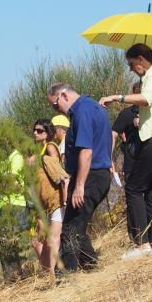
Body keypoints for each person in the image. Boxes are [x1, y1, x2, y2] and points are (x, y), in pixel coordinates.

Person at [100, 43, 152, 258]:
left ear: (140, 59)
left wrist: (117, 97)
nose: (130, 69)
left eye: (130, 64)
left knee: (134, 188)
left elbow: (146, 99)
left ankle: (142, 244)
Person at [47, 83, 112, 271]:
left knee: (70, 230)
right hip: (98, 174)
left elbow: (86, 152)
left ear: (64, 95)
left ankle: (67, 277)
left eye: (55, 104)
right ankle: (91, 267)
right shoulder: (93, 107)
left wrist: (80, 186)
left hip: (90, 176)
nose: (56, 109)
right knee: (77, 226)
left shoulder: (82, 111)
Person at [30, 119, 69, 278]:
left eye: (40, 131)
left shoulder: (50, 148)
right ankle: (47, 273)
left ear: (48, 133)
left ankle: (52, 274)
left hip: (56, 201)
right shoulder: (38, 152)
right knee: (37, 241)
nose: (35, 133)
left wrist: (65, 200)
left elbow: (59, 173)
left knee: (53, 239)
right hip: (43, 204)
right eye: (34, 130)